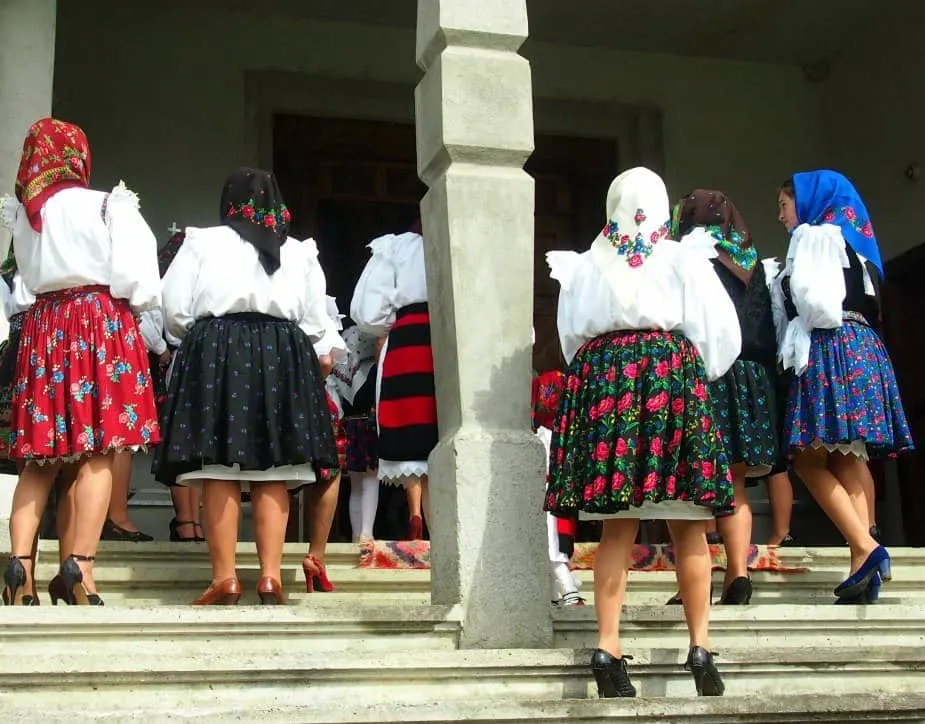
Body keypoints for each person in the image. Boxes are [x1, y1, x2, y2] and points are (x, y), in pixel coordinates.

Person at [545, 167, 738, 698]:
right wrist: (693, 370)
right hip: (668, 377)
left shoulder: (583, 265)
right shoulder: (681, 256)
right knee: (689, 525)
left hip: (609, 383)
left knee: (617, 526)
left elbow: (570, 340)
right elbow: (717, 331)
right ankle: (700, 646)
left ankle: (607, 646)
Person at [152, 167, 341, 605]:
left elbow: (175, 310)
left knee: (217, 465)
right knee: (274, 469)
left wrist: (199, 334)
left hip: (217, 349)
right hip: (282, 352)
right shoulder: (299, 252)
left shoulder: (201, 241)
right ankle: (271, 577)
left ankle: (225, 577)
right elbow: (316, 322)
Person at [1, 117, 161, 606]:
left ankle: (20, 568)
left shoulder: (28, 215)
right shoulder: (110, 205)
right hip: (99, 321)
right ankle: (80, 567)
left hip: (45, 326)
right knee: (97, 453)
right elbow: (140, 279)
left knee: (39, 461)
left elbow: (26, 279)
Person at [772, 169, 913, 603]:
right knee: (849, 457)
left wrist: (794, 323)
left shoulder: (815, 238)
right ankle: (861, 566)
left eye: (783, 205)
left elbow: (817, 305)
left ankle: (867, 547)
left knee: (809, 459)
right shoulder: (855, 245)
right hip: (864, 347)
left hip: (832, 348)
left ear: (809, 201)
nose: (780, 216)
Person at [670, 190, 779, 604]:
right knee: (733, 482)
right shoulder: (753, 262)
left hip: (703, 374)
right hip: (748, 378)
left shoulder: (687, 255)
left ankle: (691, 584)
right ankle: (738, 575)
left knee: (690, 484)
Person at [350, 220, 437, 540]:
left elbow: (369, 313)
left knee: (426, 460)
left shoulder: (399, 248)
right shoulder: (480, 240)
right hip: (466, 339)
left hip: (414, 343)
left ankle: (440, 548)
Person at [140, 230, 204, 542]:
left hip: (189, 359)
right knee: (188, 443)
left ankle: (190, 522)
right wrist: (162, 349)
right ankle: (187, 522)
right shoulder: (174, 286)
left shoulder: (169, 285)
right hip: (191, 361)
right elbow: (148, 323)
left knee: (192, 445)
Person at [532, 369, 583, 607]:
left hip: (550, 495)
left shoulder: (542, 435)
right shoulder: (567, 435)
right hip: (555, 495)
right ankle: (560, 594)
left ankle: (564, 592)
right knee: (551, 547)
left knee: (553, 547)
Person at [329, 325, 381, 544]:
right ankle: (367, 533)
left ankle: (355, 534)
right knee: (371, 480)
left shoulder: (339, 372)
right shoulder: (373, 369)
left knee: (356, 485)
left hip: (347, 429)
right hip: (368, 427)